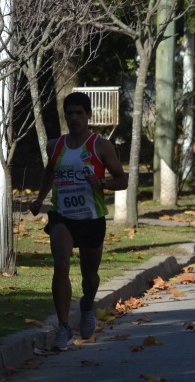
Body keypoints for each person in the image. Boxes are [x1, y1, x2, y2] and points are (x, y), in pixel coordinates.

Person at [29, 92, 128, 350]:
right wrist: (40, 199)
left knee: (89, 276)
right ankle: (63, 327)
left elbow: (123, 179)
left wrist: (102, 183)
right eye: (69, 113)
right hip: (62, 215)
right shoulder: (55, 146)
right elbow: (49, 172)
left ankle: (87, 306)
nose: (74, 118)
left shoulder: (100, 145)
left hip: (91, 217)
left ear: (88, 116)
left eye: (79, 113)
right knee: (61, 264)